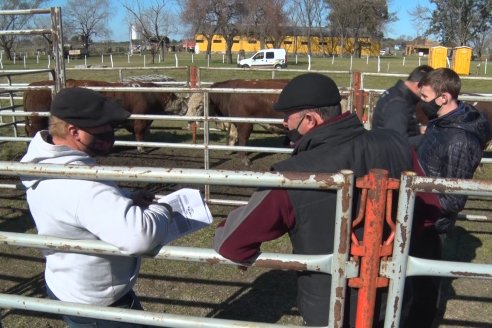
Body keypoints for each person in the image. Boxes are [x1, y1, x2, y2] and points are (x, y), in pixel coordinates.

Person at [213, 73, 413, 326]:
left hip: (331, 306)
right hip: (394, 299)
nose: (284, 123)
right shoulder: (396, 144)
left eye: (288, 117)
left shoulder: (293, 174)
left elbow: (233, 243)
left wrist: (223, 227)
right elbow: (425, 211)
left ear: (310, 119)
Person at [20, 87, 173, 328]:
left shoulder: (39, 160)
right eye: (104, 126)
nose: (111, 132)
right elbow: (139, 237)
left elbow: (75, 208)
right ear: (74, 131)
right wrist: (165, 209)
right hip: (99, 302)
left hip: (66, 281)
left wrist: (125, 196)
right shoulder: (83, 184)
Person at [407, 67, 492, 327]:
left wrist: (423, 205)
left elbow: (454, 197)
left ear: (443, 98)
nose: (421, 103)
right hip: (418, 212)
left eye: (425, 97)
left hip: (431, 223)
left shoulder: (460, 140)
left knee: (423, 288)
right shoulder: (441, 123)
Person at [371, 65, 434, 148]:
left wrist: (418, 129)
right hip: (388, 158)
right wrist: (430, 138)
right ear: (419, 85)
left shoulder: (397, 94)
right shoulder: (398, 105)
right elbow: (396, 143)